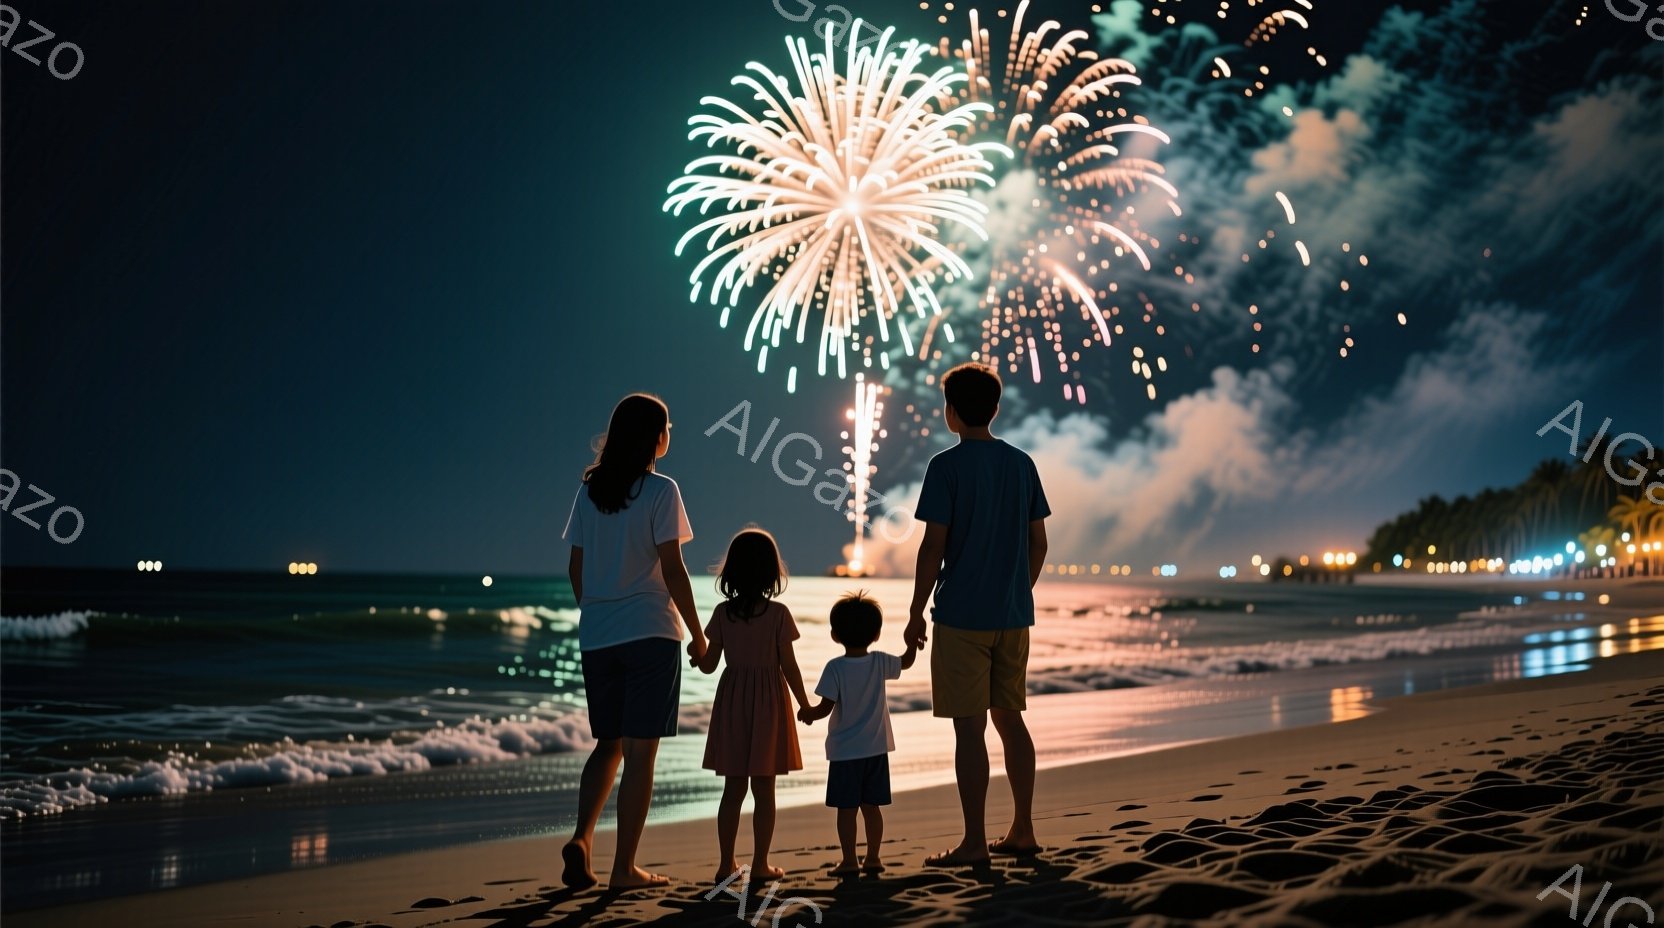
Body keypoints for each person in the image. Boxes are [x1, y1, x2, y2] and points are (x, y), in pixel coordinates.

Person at [904, 362, 1050, 867]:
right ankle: (1024, 829)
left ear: (950, 412)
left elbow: (932, 549)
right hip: (1013, 616)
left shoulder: (945, 467)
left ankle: (973, 841)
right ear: (995, 408)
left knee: (970, 729)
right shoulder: (1022, 464)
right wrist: (1017, 590)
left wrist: (915, 612)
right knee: (1011, 720)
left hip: (961, 617)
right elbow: (1039, 543)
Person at [561, 393, 707, 890]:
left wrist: (596, 614)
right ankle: (624, 868)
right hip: (650, 632)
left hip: (598, 636)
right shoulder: (662, 490)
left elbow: (576, 568)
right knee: (641, 754)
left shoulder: (589, 492)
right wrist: (698, 633)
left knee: (608, 745)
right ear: (655, 437)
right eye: (668, 428)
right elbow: (673, 568)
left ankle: (582, 839)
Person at [694, 527, 810, 883]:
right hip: (769, 703)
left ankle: (725, 864)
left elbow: (710, 665)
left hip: (732, 702)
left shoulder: (722, 613)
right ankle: (760, 864)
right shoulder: (778, 614)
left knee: (733, 790)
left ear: (731, 571)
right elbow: (789, 666)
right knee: (764, 790)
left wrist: (696, 653)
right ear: (771, 573)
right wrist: (804, 703)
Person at [798, 592, 917, 876]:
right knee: (872, 807)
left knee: (847, 810)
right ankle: (873, 857)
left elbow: (825, 707)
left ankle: (850, 860)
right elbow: (906, 662)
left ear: (835, 635)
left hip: (845, 753)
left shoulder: (835, 668)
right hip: (876, 750)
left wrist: (809, 713)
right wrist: (913, 642)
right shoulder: (880, 662)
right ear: (876, 634)